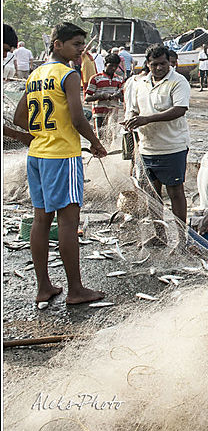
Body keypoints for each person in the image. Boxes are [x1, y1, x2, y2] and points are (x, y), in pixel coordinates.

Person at [13, 22, 107, 305]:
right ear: (58, 44)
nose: (81, 50)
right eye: (76, 44)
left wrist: (41, 132)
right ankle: (76, 290)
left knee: (41, 219)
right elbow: (79, 118)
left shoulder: (36, 74)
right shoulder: (69, 75)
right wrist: (96, 143)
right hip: (62, 156)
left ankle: (44, 286)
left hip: (38, 155)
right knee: (69, 221)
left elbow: (20, 118)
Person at [123, 43, 192, 227]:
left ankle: (181, 235)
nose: (159, 68)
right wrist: (131, 120)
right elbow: (134, 110)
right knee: (151, 194)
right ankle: (158, 234)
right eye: (154, 65)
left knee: (175, 192)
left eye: (163, 63)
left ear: (169, 62)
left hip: (172, 147)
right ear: (147, 64)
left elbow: (179, 110)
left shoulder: (178, 81)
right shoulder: (140, 84)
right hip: (147, 147)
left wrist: (147, 119)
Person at [83, 52, 125, 135]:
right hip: (99, 113)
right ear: (105, 64)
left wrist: (120, 96)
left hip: (113, 113)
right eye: (111, 66)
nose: (113, 68)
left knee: (111, 137)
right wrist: (102, 96)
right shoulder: (96, 78)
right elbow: (87, 98)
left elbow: (123, 98)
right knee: (99, 136)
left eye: (115, 67)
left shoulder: (119, 80)